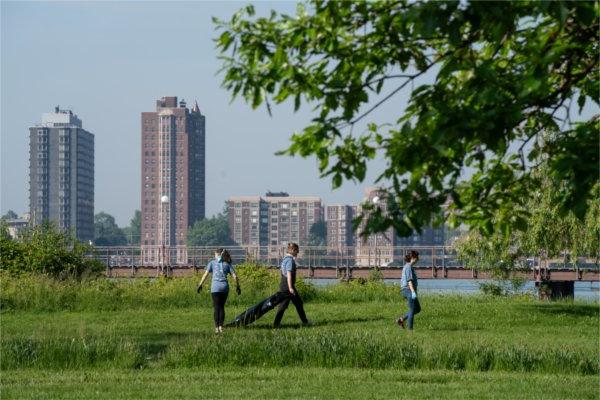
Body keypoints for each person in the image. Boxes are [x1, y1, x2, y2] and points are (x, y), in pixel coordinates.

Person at [197, 248, 241, 333]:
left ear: (218, 254)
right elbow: (235, 277)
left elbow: (205, 275)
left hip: (215, 288)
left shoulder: (212, 263)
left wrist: (200, 285)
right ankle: (221, 327)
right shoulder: (227, 264)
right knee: (221, 307)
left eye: (215, 254)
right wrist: (238, 286)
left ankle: (216, 328)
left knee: (216, 307)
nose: (214, 255)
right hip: (224, 288)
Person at [273, 242, 311, 328]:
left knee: (298, 303)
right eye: (297, 251)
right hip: (287, 286)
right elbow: (289, 274)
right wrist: (290, 288)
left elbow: (283, 273)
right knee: (284, 305)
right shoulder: (290, 260)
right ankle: (276, 324)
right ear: (293, 250)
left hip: (284, 284)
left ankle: (304, 321)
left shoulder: (285, 259)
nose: (298, 253)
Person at [397, 250, 421, 330]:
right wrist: (413, 292)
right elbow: (409, 281)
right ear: (413, 258)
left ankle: (401, 320)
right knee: (412, 309)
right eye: (417, 257)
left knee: (417, 309)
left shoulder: (410, 267)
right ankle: (410, 329)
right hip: (408, 290)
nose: (418, 259)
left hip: (410, 290)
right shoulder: (408, 267)